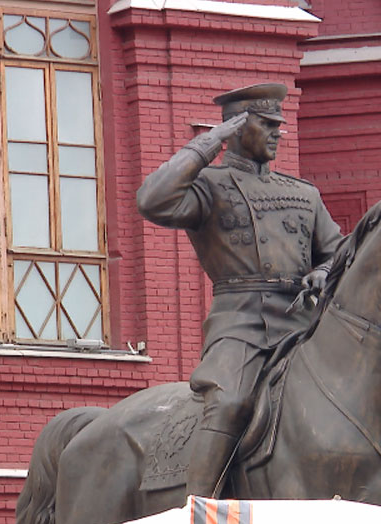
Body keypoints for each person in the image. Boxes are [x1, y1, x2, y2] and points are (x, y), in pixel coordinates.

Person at [136, 83, 343, 497]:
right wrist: (209, 142)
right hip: (241, 322)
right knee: (229, 403)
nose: (277, 133)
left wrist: (324, 271)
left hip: (304, 323)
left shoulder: (303, 194)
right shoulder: (210, 186)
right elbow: (151, 200)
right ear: (237, 127)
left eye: (278, 125)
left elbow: (339, 253)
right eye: (265, 124)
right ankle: (200, 505)